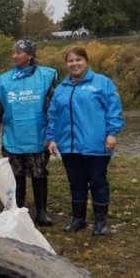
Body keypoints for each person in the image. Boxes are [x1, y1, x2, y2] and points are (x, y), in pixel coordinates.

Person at [47, 46, 125, 236]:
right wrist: (51, 138)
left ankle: (100, 222)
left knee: (98, 182)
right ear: (67, 64)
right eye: (70, 61)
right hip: (69, 146)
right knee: (76, 183)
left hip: (96, 144)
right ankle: (78, 219)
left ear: (86, 61)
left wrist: (112, 133)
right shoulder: (61, 89)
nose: (74, 64)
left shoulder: (102, 83)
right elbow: (53, 115)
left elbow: (114, 110)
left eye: (78, 60)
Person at [0, 39, 58, 226]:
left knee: (39, 175)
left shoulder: (46, 76)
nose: (14, 56)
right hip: (13, 138)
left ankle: (41, 213)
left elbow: (53, 109)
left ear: (30, 55)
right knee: (17, 177)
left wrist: (54, 135)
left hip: (38, 137)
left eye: (19, 52)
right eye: (13, 52)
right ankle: (17, 211)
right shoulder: (4, 80)